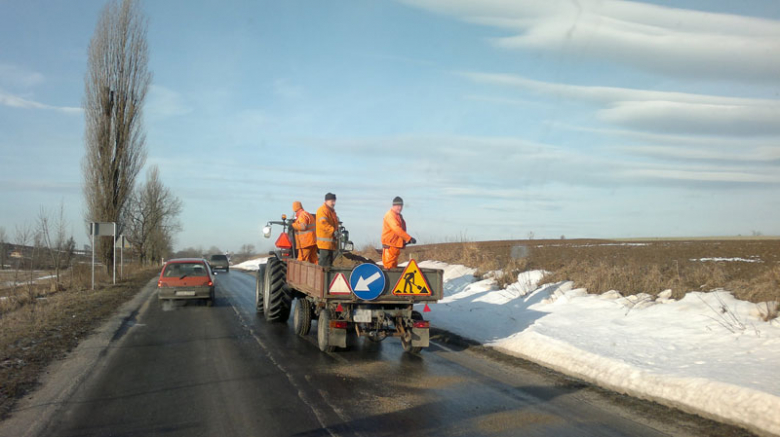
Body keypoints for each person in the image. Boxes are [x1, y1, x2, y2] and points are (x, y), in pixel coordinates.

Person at [381, 196, 416, 269]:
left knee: (393, 266)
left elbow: (400, 229)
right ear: (393, 205)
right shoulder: (390, 215)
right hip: (390, 245)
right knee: (389, 267)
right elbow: (396, 229)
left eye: (401, 206)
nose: (399, 208)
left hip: (395, 244)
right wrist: (408, 238)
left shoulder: (398, 216)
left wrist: (403, 241)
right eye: (397, 205)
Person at [316, 193, 339, 267]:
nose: (334, 203)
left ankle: (327, 278)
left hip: (331, 244)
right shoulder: (322, 210)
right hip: (324, 244)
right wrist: (333, 231)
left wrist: (337, 231)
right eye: (332, 201)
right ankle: (321, 278)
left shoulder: (332, 212)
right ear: (326, 201)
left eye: (334, 201)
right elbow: (323, 223)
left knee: (328, 265)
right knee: (323, 265)